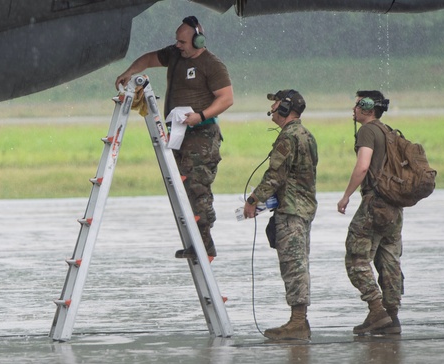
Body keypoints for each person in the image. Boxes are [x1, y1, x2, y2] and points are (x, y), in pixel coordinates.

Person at [114, 15, 233, 259]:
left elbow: (226, 99)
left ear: (198, 41)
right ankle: (196, 243)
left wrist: (200, 116)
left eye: (183, 42)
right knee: (182, 188)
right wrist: (129, 72)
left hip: (202, 134)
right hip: (178, 132)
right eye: (177, 41)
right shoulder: (176, 55)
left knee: (197, 188)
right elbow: (148, 58)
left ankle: (205, 247)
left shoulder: (212, 65)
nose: (178, 45)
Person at [243, 89, 318, 341]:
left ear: (285, 108)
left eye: (276, 104)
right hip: (303, 208)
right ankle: (299, 321)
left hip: (291, 211)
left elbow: (275, 175)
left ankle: (298, 322)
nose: (272, 108)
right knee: (299, 263)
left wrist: (254, 200)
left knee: (293, 265)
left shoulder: (288, 138)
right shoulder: (307, 135)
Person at [337, 90, 403, 336]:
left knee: (356, 257)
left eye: (356, 105)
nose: (353, 110)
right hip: (394, 206)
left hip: (375, 203)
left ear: (366, 107)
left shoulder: (367, 130)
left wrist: (346, 196)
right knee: (389, 260)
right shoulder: (389, 131)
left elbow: (363, 165)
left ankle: (377, 310)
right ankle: (391, 316)